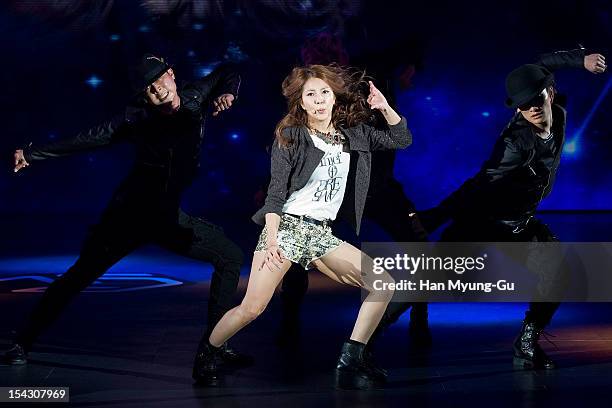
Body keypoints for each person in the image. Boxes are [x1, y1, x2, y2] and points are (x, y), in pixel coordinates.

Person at [5, 54, 252, 379]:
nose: (157, 89)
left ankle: (213, 348)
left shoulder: (196, 96)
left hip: (167, 220)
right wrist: (33, 153)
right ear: (144, 96)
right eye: (149, 88)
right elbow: (88, 138)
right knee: (78, 276)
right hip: (127, 218)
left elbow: (228, 71)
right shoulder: (137, 119)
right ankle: (22, 342)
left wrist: (228, 92)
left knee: (230, 258)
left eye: (160, 79)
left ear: (172, 75)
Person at [195, 64, 411, 390]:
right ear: (302, 102)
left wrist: (384, 108)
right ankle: (207, 352)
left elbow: (402, 138)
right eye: (312, 94)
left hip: (321, 233)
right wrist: (270, 240)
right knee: (252, 308)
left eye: (325, 92)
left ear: (334, 96)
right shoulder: (291, 135)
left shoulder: (354, 133)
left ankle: (351, 359)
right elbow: (275, 194)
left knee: (382, 282)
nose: (320, 100)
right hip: (287, 230)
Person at [420, 48, 606, 369]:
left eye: (537, 99)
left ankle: (526, 343)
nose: (532, 108)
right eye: (523, 104)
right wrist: (434, 216)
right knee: (430, 278)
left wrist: (582, 59)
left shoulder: (558, 113)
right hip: (482, 221)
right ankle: (358, 347)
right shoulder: (514, 142)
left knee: (558, 273)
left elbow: (543, 64)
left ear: (550, 93)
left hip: (519, 222)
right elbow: (480, 183)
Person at [278, 34, 431, 356]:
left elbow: (412, 45)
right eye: (314, 60)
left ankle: (419, 320)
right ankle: (288, 324)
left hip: (379, 185)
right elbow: (291, 143)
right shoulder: (310, 95)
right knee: (297, 251)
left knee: (417, 243)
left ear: (343, 54)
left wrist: (410, 69)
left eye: (330, 55)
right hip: (334, 189)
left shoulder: (368, 75)